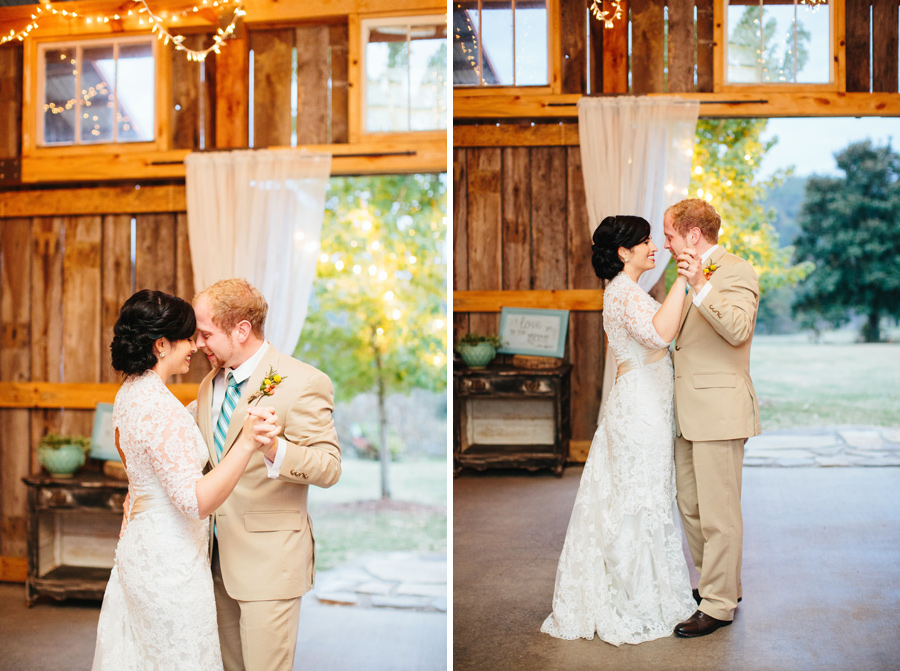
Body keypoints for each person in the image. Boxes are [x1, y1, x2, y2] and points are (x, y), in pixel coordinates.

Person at [92, 290, 278, 671]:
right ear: (161, 345)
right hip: (170, 562)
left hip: (143, 546)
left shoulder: (130, 394)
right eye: (188, 337)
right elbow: (195, 502)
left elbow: (141, 462)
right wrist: (245, 443)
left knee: (145, 656)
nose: (195, 346)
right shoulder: (158, 407)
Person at [541, 215, 697, 646]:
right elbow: (661, 333)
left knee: (647, 497)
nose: (655, 248)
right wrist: (685, 278)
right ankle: (636, 599)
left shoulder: (629, 292)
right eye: (646, 242)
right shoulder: (624, 294)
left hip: (644, 404)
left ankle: (650, 590)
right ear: (623, 252)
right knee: (639, 500)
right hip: (640, 410)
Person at [191, 278, 341, 671]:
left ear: (241, 329)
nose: (197, 343)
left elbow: (329, 467)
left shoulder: (304, 381)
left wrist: (275, 449)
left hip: (270, 563)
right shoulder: (211, 382)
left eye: (205, 333)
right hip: (214, 558)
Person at [663, 198, 760, 638]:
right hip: (686, 411)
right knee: (692, 507)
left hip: (719, 411)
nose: (666, 244)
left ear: (692, 235)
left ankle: (719, 605)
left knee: (720, 513)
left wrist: (700, 285)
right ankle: (717, 585)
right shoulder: (681, 274)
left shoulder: (737, 271)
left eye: (669, 235)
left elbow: (738, 329)